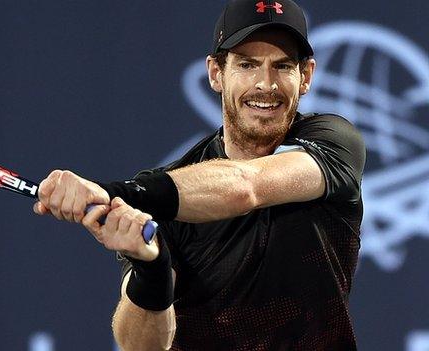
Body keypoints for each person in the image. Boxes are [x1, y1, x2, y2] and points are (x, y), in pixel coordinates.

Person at [33, 0, 365, 349]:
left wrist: (110, 191)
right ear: (216, 73)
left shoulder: (334, 142)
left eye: (282, 66)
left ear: (306, 76)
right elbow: (141, 346)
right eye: (247, 65)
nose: (266, 84)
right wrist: (152, 266)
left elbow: (246, 186)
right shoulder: (167, 192)